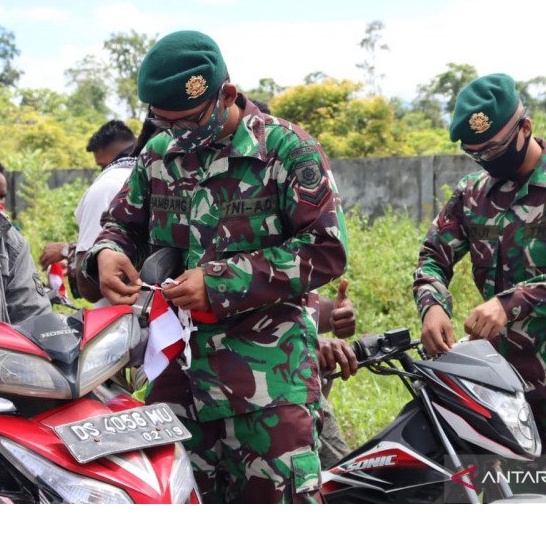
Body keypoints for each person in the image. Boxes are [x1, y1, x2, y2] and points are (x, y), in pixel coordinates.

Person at [81, 29, 348, 503]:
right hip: (177, 383)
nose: (178, 134)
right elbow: (121, 224)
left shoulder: (285, 152)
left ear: (226, 93)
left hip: (268, 391)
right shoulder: (159, 157)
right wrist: (106, 251)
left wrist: (222, 281)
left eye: (188, 121)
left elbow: (326, 249)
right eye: (164, 122)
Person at [413, 73, 546, 448]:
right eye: (476, 153)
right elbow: (432, 259)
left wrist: (510, 304)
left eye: (494, 149)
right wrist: (432, 306)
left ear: (525, 128)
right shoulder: (472, 194)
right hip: (496, 390)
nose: (486, 160)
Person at [39, 120, 136, 304]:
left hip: (122, 318)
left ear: (104, 158)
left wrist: (69, 252)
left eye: (100, 166)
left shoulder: (106, 187)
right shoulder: (161, 177)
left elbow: (90, 286)